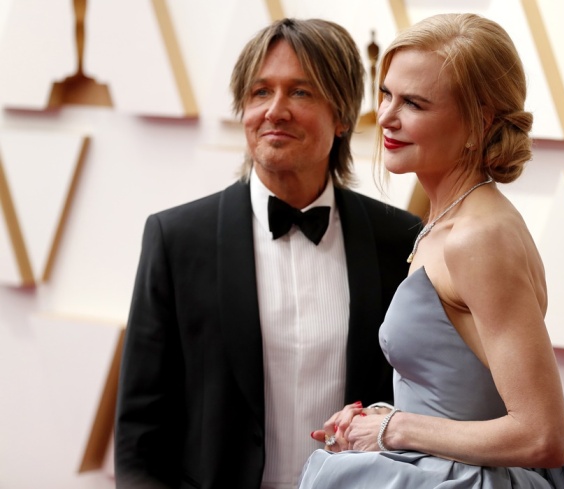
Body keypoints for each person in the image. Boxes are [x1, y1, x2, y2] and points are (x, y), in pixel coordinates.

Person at [298, 13, 564, 488]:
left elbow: (541, 435)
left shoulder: (478, 238)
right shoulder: (449, 220)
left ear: (480, 121)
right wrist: (377, 420)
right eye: (386, 94)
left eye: (414, 103)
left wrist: (394, 429)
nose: (387, 117)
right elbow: (466, 394)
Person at [114, 18, 422, 489]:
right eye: (260, 92)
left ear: (342, 115)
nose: (275, 111)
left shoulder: (401, 241)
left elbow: (418, 402)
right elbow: (140, 431)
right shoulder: (176, 239)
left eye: (300, 92)